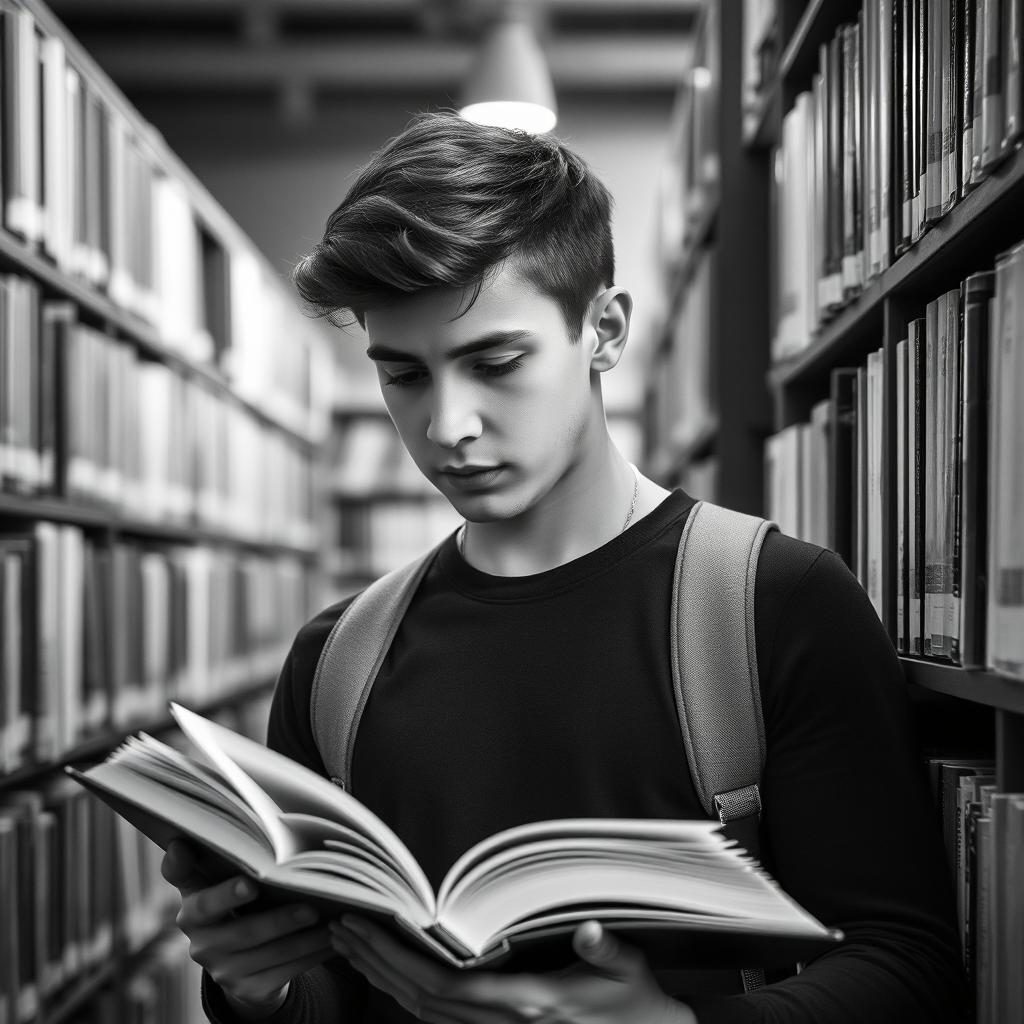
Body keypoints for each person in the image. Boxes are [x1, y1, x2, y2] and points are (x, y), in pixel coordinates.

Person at [162, 112, 969, 1024]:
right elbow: (335, 1002)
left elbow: (910, 968)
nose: (447, 427)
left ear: (606, 331)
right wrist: (255, 988)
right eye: (405, 377)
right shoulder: (335, 660)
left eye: (496, 361)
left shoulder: (774, 605)